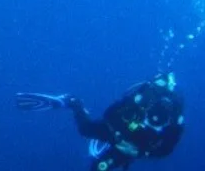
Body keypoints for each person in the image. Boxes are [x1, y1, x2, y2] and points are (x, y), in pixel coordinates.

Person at [15, 72, 185, 170]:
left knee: (98, 167)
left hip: (133, 148)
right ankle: (74, 102)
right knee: (85, 130)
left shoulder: (175, 119)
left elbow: (167, 149)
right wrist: (121, 133)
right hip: (116, 133)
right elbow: (110, 114)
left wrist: (142, 153)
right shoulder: (142, 98)